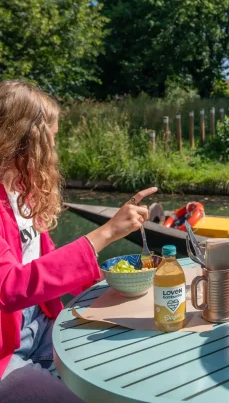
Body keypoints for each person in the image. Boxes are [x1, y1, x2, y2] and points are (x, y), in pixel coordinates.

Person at [0, 81, 157, 400]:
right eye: (52, 140)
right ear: (28, 142)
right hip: (5, 349)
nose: (54, 152)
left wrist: (106, 285)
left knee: (121, 373)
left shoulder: (22, 189)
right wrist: (107, 232)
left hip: (39, 323)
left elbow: (43, 259)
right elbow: (9, 286)